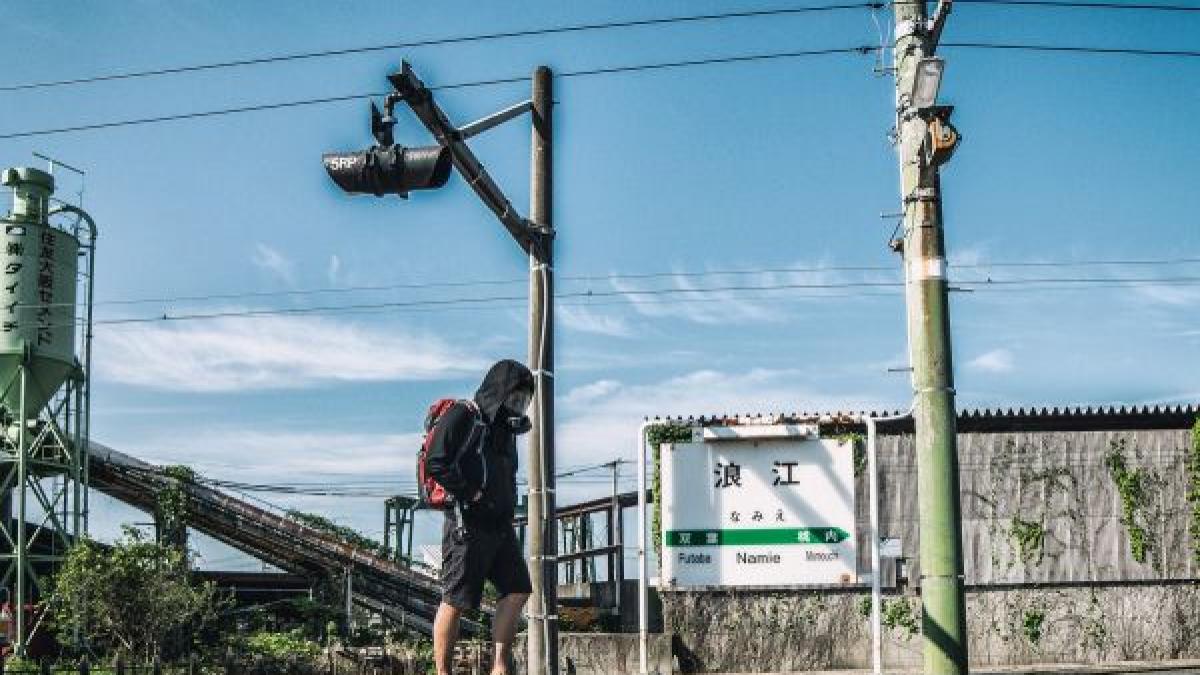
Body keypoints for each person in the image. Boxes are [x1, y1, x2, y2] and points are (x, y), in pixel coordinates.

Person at [425, 359, 535, 675]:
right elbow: (436, 461)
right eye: (514, 397)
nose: (518, 406)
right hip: (467, 524)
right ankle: (443, 672)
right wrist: (470, 493)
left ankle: (500, 665)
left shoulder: (506, 431)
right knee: (456, 599)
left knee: (518, 588)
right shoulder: (464, 414)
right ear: (498, 391)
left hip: (499, 525)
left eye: (524, 400)